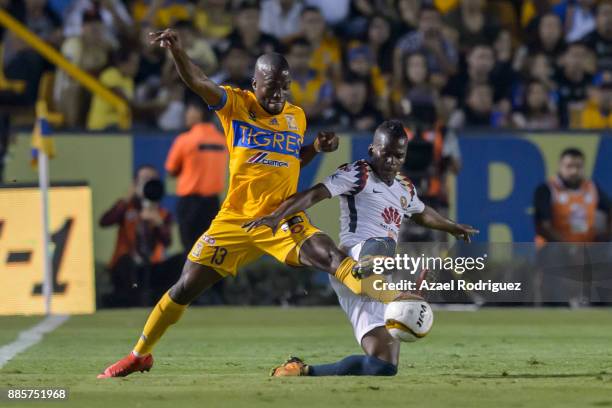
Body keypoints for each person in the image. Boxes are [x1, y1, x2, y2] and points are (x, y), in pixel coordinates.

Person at [97, 28, 385, 379]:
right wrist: (177, 52)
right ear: (255, 83)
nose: (278, 93)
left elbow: (290, 160)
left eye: (284, 85)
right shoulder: (235, 104)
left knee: (328, 255)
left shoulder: (296, 117)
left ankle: (385, 293)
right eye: (271, 85)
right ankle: (139, 355)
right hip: (235, 219)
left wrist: (314, 150)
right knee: (185, 287)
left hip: (280, 216)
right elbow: (198, 81)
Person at [242, 120, 477, 376]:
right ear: (372, 149)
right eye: (386, 153)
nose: (391, 161)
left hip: (374, 278)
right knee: (384, 243)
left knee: (383, 366)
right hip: (352, 259)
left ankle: (301, 370)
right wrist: (277, 216)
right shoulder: (358, 174)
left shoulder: (405, 187)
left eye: (398, 156)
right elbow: (315, 194)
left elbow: (422, 213)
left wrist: (451, 226)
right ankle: (383, 280)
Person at [100, 165, 173, 307]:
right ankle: (129, 299)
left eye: (152, 180)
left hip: (153, 266)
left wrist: (158, 223)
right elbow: (105, 221)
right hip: (127, 265)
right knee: (126, 263)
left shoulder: (162, 213)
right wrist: (127, 199)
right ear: (136, 183)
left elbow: (167, 242)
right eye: (144, 179)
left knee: (179, 261)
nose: (148, 183)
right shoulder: (126, 207)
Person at [165, 98, 227, 252]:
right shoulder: (223, 141)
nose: (186, 115)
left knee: (190, 251)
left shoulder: (185, 140)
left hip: (189, 205)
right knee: (210, 251)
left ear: (198, 113)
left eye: (189, 110)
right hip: (212, 204)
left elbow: (171, 170)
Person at [534, 148, 611, 245]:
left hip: (586, 250)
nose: (574, 171)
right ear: (560, 166)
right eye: (569, 166)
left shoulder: (591, 187)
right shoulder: (547, 189)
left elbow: (609, 210)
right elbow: (543, 227)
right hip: (554, 251)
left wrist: (606, 236)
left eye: (578, 166)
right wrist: (568, 247)